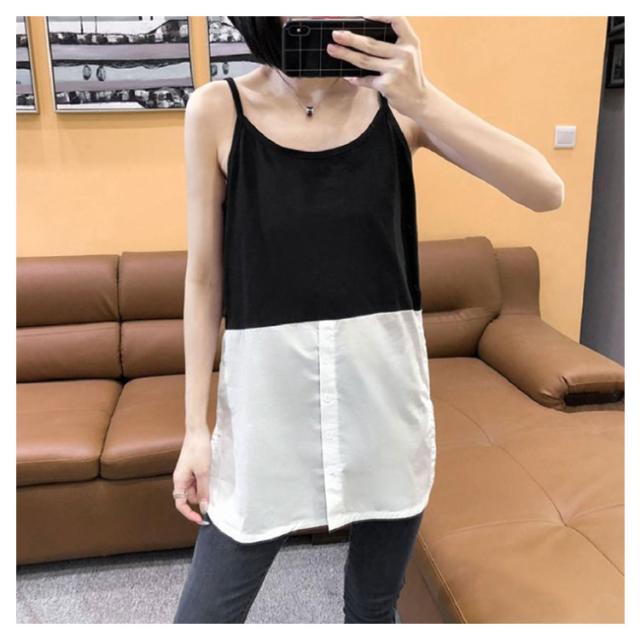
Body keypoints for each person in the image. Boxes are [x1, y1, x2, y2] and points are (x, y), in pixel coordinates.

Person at [172, 16, 564, 624]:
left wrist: (423, 98)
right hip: (265, 419)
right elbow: (203, 281)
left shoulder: (397, 104)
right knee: (204, 620)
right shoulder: (216, 111)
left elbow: (546, 190)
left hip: (385, 415)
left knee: (372, 613)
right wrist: (195, 431)